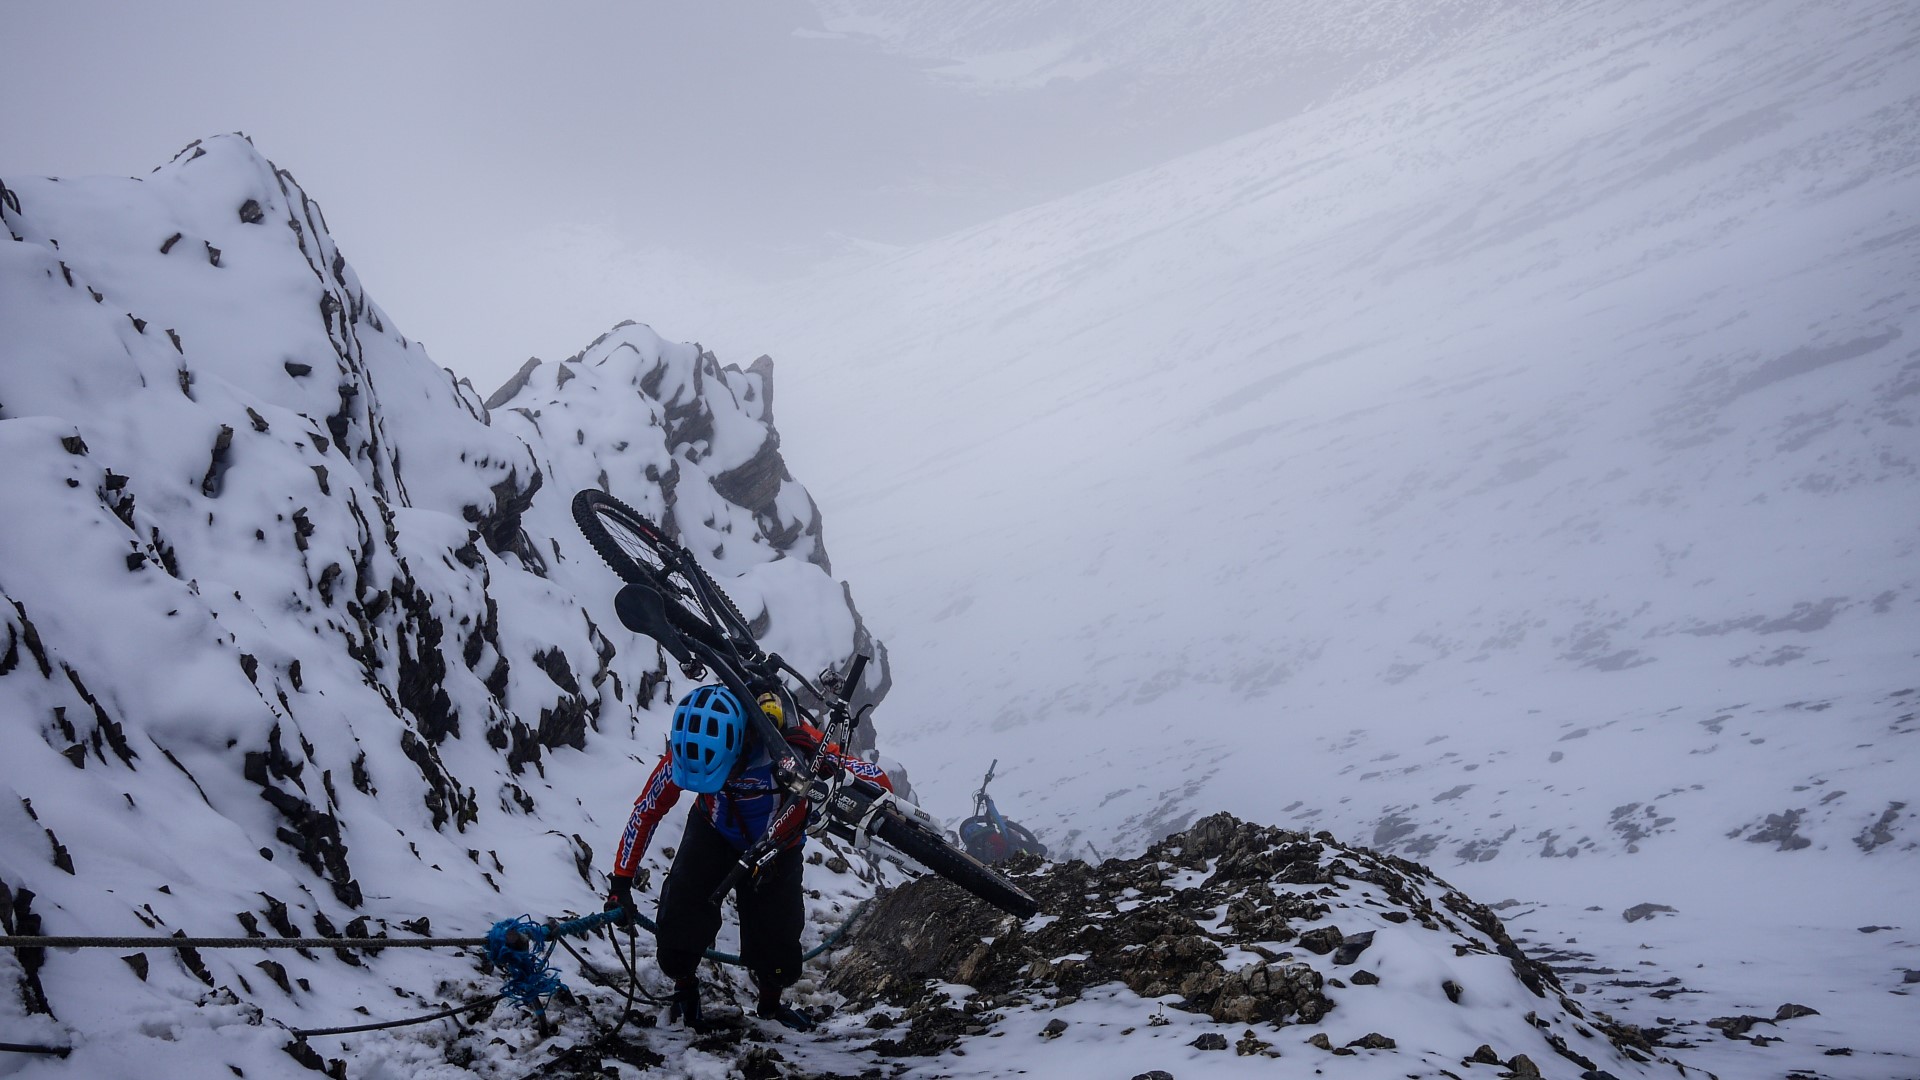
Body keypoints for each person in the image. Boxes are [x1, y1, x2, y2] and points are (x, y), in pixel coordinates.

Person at [604, 684, 891, 1031]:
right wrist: (621, 881)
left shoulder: (792, 746)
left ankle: (770, 1006)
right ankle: (684, 987)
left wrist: (845, 782)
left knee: (779, 944)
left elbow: (875, 778)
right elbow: (647, 810)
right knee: (679, 922)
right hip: (713, 832)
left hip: (778, 844)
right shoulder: (692, 747)